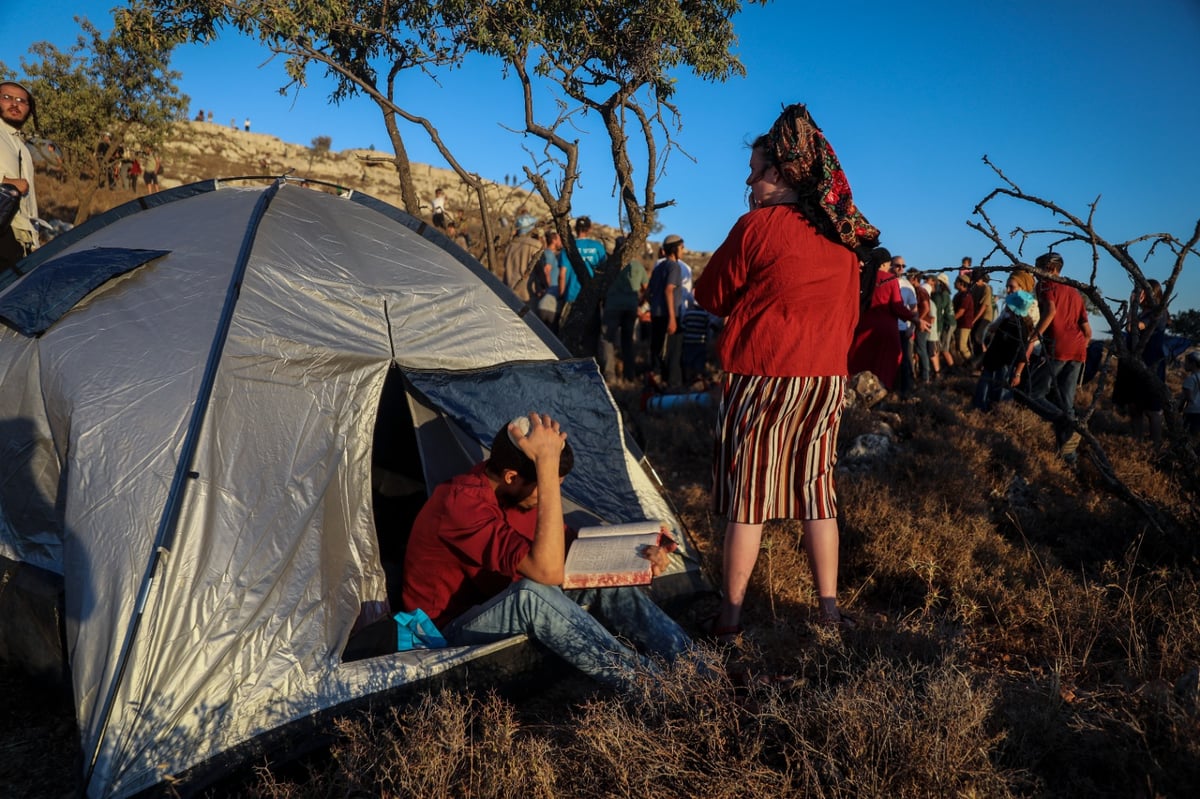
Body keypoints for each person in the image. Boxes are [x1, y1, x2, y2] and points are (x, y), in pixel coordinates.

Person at [694, 103, 877, 637]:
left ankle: (729, 620)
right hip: (824, 380)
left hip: (761, 374)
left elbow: (710, 295)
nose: (749, 182)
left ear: (780, 173)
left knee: (748, 501)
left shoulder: (757, 227)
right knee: (816, 494)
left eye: (755, 171)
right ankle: (828, 611)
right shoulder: (844, 243)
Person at [400, 413, 691, 694]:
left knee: (601, 584)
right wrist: (546, 470)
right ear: (512, 477)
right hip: (441, 634)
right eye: (549, 486)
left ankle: (697, 669)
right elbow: (548, 572)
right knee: (531, 594)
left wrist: (637, 556)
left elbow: (567, 550)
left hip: (498, 605)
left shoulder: (518, 497)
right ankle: (650, 687)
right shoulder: (459, 503)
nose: (552, 494)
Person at [1025, 253, 1092, 460]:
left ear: (1051, 268)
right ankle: (1068, 458)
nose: (1035, 274)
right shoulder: (1074, 292)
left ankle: (1065, 422)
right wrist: (1079, 345)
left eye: (1038, 268)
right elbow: (1088, 331)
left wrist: (1032, 339)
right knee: (1066, 402)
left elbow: (1051, 312)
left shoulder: (1046, 286)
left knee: (1033, 394)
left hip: (1058, 347)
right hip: (1078, 350)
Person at [848, 247, 914, 390]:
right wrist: (914, 318)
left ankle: (855, 392)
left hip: (863, 326)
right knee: (885, 364)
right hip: (886, 329)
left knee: (860, 360)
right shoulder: (890, 280)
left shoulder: (862, 277)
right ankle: (879, 393)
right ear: (884, 264)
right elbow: (897, 307)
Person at [1112, 279, 1167, 447]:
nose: (1139, 295)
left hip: (1150, 363)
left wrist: (1132, 305)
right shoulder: (1144, 312)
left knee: (1152, 408)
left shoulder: (1158, 313)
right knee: (1134, 406)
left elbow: (1132, 328)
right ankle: (1137, 443)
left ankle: (1156, 445)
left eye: (1143, 292)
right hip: (1135, 363)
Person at [972, 280, 1036, 411]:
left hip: (1005, 366)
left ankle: (999, 414)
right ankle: (980, 411)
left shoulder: (1021, 328)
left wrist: (1017, 373)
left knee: (1001, 394)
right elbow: (995, 342)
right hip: (992, 361)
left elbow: (1021, 354)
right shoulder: (1006, 321)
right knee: (984, 389)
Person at [0, 81, 39, 271]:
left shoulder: (22, 147)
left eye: (21, 101)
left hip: (19, 241)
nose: (14, 104)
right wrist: (7, 182)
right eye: (6, 97)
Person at [600, 248, 649, 383]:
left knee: (607, 339)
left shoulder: (609, 264)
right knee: (627, 341)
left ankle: (610, 375)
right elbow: (646, 287)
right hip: (630, 307)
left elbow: (601, 284)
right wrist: (641, 302)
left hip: (612, 306)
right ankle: (629, 375)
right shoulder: (638, 266)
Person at [502, 214, 543, 304]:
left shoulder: (510, 246)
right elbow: (541, 270)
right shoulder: (535, 246)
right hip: (527, 295)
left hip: (509, 290)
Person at [531, 230, 563, 330]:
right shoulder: (549, 254)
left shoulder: (547, 253)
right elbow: (546, 270)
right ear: (554, 240)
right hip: (550, 297)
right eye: (559, 239)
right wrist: (548, 287)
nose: (561, 242)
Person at [968, 267, 995, 367]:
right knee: (973, 339)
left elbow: (984, 306)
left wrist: (974, 320)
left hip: (985, 317)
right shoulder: (973, 288)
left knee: (977, 337)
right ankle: (978, 362)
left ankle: (983, 361)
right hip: (976, 317)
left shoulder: (986, 288)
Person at [952, 274, 976, 364]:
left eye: (956, 281)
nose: (954, 283)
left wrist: (950, 321)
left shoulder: (966, 296)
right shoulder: (958, 295)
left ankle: (973, 364)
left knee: (962, 347)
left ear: (962, 283)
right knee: (958, 347)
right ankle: (965, 365)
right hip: (959, 324)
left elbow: (961, 312)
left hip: (965, 324)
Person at [1179, 351, 1200, 436]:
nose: (1184, 364)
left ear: (1193, 364)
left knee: (1189, 435)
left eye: (1186, 362)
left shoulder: (1190, 379)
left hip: (1192, 412)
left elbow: (1188, 397)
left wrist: (1179, 408)